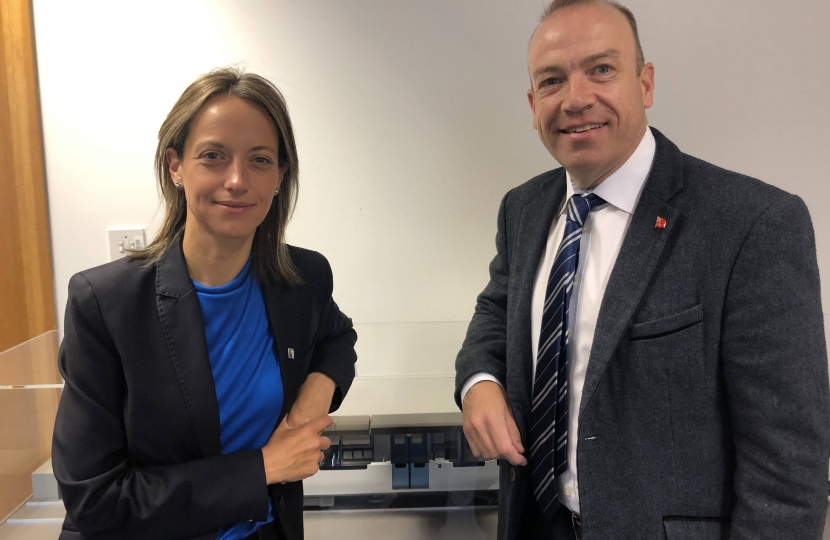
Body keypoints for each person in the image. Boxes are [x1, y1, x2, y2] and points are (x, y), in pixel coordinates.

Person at [455, 1, 829, 539]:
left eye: (601, 69)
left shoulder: (753, 224)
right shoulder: (524, 208)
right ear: (533, 103)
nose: (577, 98)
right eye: (553, 80)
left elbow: (788, 468)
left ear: (645, 83)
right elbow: (496, 310)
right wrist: (479, 382)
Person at [52, 68, 357, 540]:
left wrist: (317, 389)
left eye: (259, 159)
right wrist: (262, 469)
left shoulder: (303, 278)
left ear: (280, 176)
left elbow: (338, 338)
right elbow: (97, 500)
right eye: (213, 156)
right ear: (176, 165)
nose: (237, 180)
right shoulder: (106, 305)